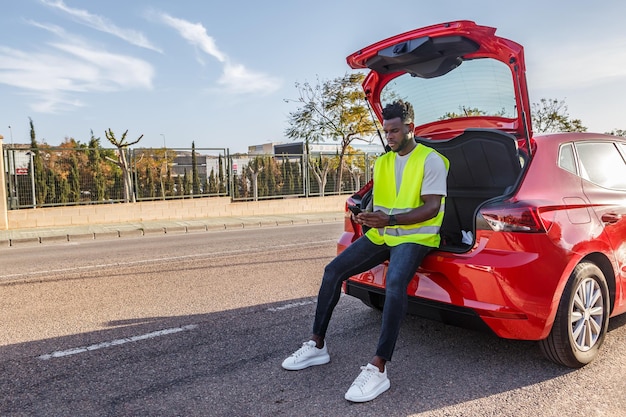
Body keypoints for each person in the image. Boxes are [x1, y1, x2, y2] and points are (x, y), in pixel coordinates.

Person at [281, 99, 449, 402]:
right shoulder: (383, 161)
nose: (390, 137)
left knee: (395, 284)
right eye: (386, 132)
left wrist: (391, 219)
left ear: (411, 127)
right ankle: (316, 345)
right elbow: (378, 204)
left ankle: (379, 366)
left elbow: (432, 207)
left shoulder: (431, 160)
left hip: (415, 237)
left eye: (396, 131)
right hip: (384, 233)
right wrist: (364, 215)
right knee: (333, 271)